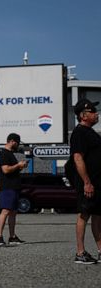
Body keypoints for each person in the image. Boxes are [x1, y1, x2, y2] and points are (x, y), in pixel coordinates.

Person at [70, 98, 101, 264]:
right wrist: (87, 182)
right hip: (88, 183)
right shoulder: (79, 132)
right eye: (93, 112)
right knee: (84, 214)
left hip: (97, 183)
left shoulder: (91, 132)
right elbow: (78, 158)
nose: (96, 114)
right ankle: (80, 253)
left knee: (97, 215)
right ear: (83, 115)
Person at [0, 133, 28, 246]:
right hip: (7, 187)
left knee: (13, 212)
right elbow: (6, 170)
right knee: (5, 211)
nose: (18, 145)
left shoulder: (10, 154)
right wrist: (18, 165)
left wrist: (20, 167)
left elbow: (11, 169)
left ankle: (12, 236)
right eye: (17, 143)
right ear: (12, 141)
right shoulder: (4, 154)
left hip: (14, 187)